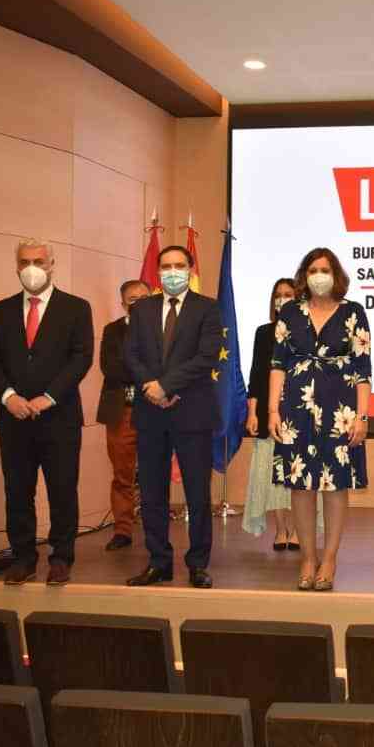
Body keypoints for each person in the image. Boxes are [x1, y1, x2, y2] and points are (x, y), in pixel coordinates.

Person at [0, 238, 93, 586]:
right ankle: (23, 558)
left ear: (51, 265)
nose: (32, 268)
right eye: (25, 262)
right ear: (16, 267)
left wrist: (49, 396)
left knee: (62, 490)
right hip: (14, 418)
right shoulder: (1, 310)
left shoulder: (76, 308)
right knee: (18, 492)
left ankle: (61, 558)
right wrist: (8, 396)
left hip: (59, 418)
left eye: (39, 261)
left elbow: (81, 358)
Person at [269, 248, 371, 592]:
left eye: (325, 269)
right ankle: (308, 558)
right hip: (296, 409)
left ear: (336, 274)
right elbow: (277, 365)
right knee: (300, 485)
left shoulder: (353, 312)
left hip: (340, 411)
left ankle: (329, 559)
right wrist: (272, 411)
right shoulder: (289, 312)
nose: (319, 276)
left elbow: (363, 369)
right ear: (304, 275)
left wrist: (363, 416)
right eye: (312, 270)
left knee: (335, 485)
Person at [124, 245, 222, 589]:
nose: (172, 272)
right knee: (152, 492)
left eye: (179, 265)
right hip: (150, 412)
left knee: (197, 494)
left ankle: (198, 564)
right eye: (166, 266)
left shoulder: (207, 308)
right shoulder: (142, 309)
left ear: (191, 269)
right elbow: (131, 355)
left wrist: (167, 386)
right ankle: (158, 562)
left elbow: (206, 357)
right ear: (157, 272)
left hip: (192, 411)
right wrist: (152, 387)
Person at [243, 278, 301, 550]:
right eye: (278, 294)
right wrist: (252, 412)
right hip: (270, 411)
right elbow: (256, 374)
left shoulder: (308, 329)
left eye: (288, 294)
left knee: (299, 475)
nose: (282, 298)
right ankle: (281, 530)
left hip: (300, 410)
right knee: (272, 473)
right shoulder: (264, 332)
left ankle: (299, 530)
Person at [96, 279, 151, 551]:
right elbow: (111, 369)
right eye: (133, 299)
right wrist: (145, 373)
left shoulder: (164, 329)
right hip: (122, 411)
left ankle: (155, 529)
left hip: (155, 410)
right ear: (123, 303)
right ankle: (122, 530)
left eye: (144, 298)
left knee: (154, 473)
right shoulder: (112, 330)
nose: (139, 304)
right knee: (122, 474)